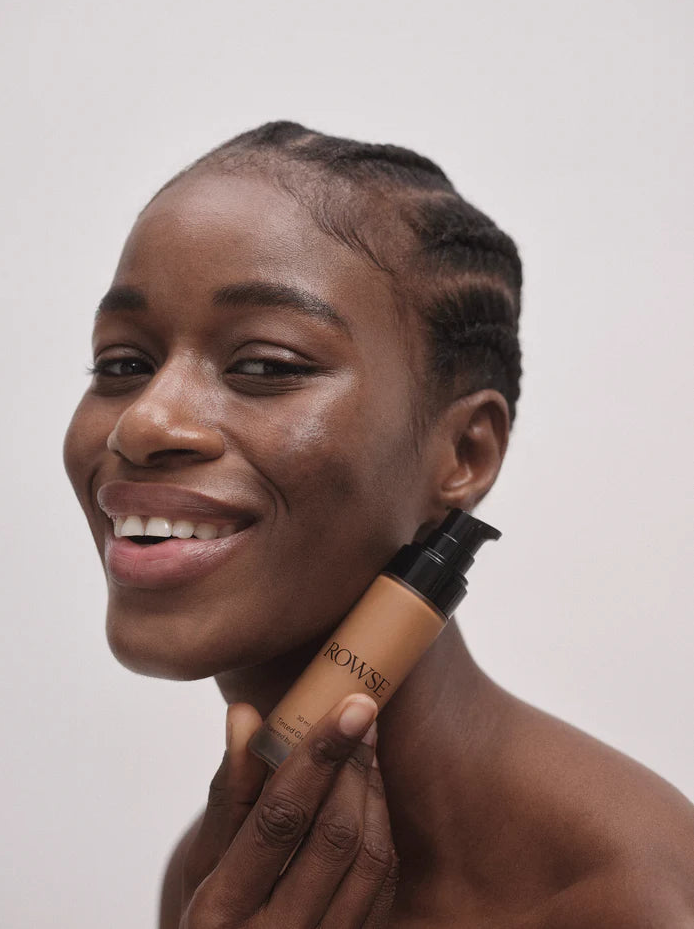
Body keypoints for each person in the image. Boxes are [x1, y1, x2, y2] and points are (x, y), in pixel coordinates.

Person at [64, 122, 694, 928]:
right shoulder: (232, 871)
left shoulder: (627, 900)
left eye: (264, 365)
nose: (144, 424)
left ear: (463, 452)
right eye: (122, 364)